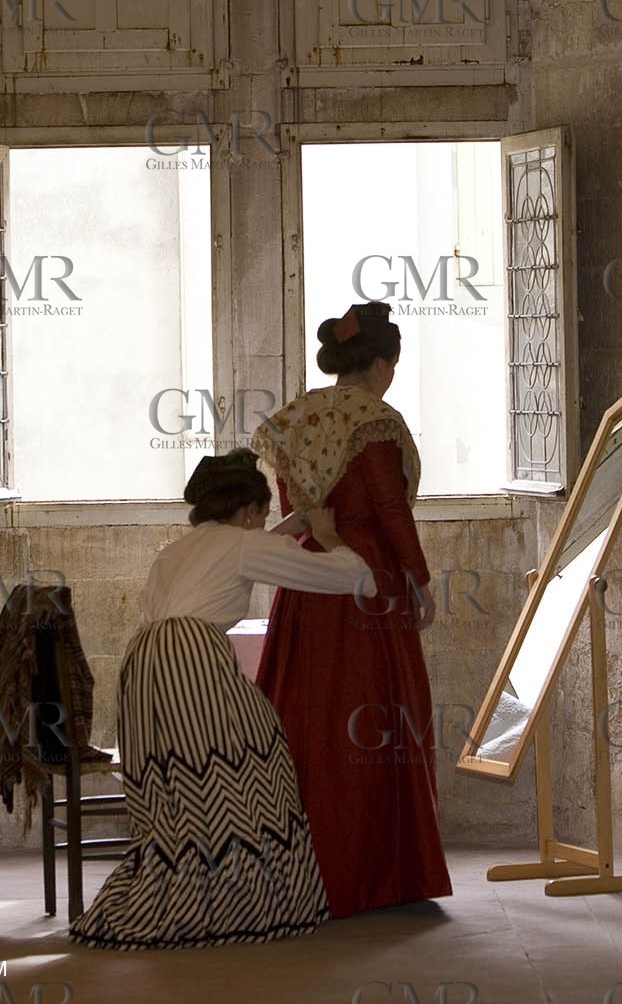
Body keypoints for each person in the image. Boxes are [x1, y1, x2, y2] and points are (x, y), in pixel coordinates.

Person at [70, 448, 378, 950]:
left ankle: (186, 889)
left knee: (177, 787)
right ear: (250, 510)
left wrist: (291, 525)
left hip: (143, 663)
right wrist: (328, 537)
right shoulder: (242, 545)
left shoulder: (181, 548)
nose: (266, 522)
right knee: (253, 768)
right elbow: (352, 577)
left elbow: (243, 551)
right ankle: (239, 899)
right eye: (263, 514)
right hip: (192, 658)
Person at [250, 301, 453, 918]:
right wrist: (418, 579)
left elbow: (299, 509)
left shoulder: (295, 419)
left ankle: (296, 874)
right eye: (392, 363)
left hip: (309, 579)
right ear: (380, 363)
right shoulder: (376, 420)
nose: (391, 374)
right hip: (367, 581)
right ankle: (376, 873)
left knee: (308, 713)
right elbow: (391, 511)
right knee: (377, 722)